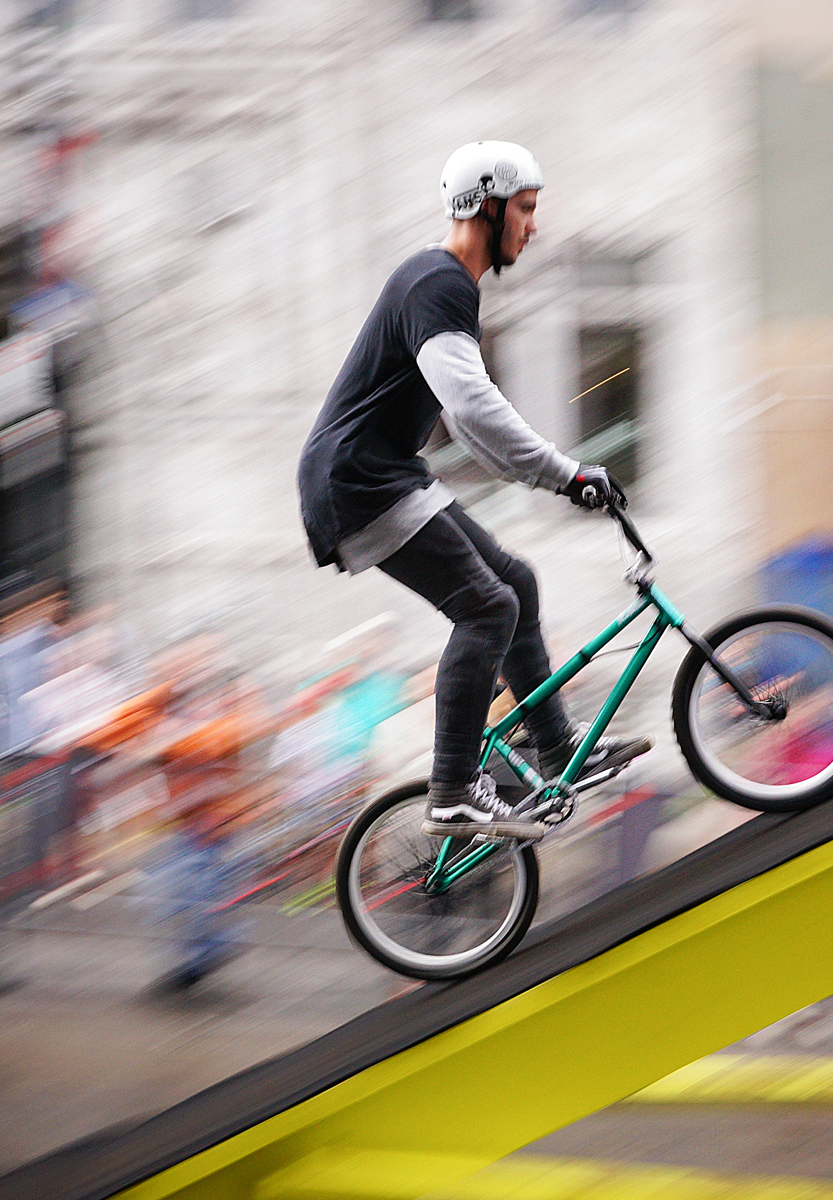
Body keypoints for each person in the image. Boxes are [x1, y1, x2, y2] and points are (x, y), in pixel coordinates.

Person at [297, 140, 649, 841]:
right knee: (487, 608)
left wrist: (554, 479)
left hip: (384, 474)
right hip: (359, 482)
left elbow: (470, 425)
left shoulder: (446, 285)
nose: (534, 225)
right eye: (525, 208)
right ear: (486, 206)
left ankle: (556, 750)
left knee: (515, 581)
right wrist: (567, 473)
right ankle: (454, 789)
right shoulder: (439, 284)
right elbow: (473, 408)